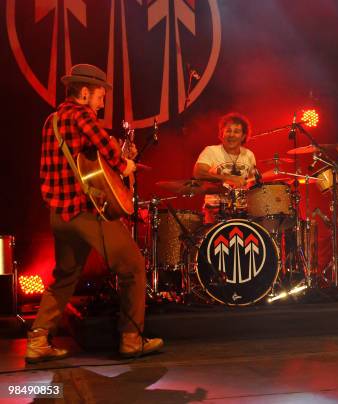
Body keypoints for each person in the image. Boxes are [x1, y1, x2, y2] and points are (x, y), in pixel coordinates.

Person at [27, 64, 163, 363]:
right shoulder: (81, 115)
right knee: (133, 266)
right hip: (87, 212)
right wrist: (124, 165)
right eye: (101, 95)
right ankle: (131, 339)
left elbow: (74, 162)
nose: (102, 103)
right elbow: (106, 148)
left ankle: (37, 340)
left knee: (65, 276)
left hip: (59, 214)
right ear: (85, 92)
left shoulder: (52, 120)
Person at [193, 113, 257, 223]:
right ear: (222, 133)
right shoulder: (211, 151)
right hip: (215, 210)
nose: (231, 135)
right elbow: (198, 173)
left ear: (243, 136)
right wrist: (227, 178)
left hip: (243, 212)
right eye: (228, 131)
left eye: (236, 131)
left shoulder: (249, 155)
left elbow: (253, 183)